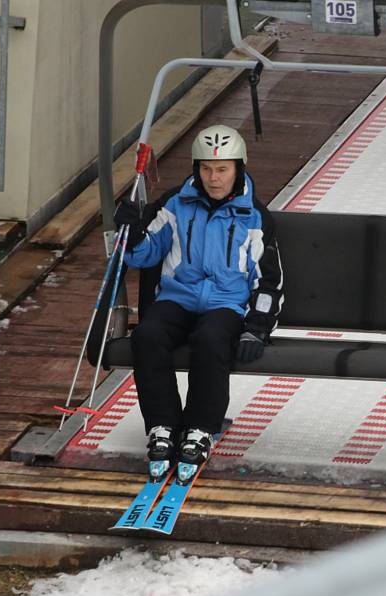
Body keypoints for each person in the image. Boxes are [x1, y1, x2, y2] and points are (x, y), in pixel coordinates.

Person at [113, 124, 283, 475]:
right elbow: (144, 256)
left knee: (211, 339)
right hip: (180, 297)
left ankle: (201, 428)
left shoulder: (254, 216)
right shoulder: (176, 204)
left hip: (225, 304)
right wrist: (130, 233)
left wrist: (257, 329)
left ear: (238, 169)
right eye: (206, 168)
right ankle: (163, 426)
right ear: (196, 169)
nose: (213, 177)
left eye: (222, 169)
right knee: (147, 336)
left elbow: (269, 281)